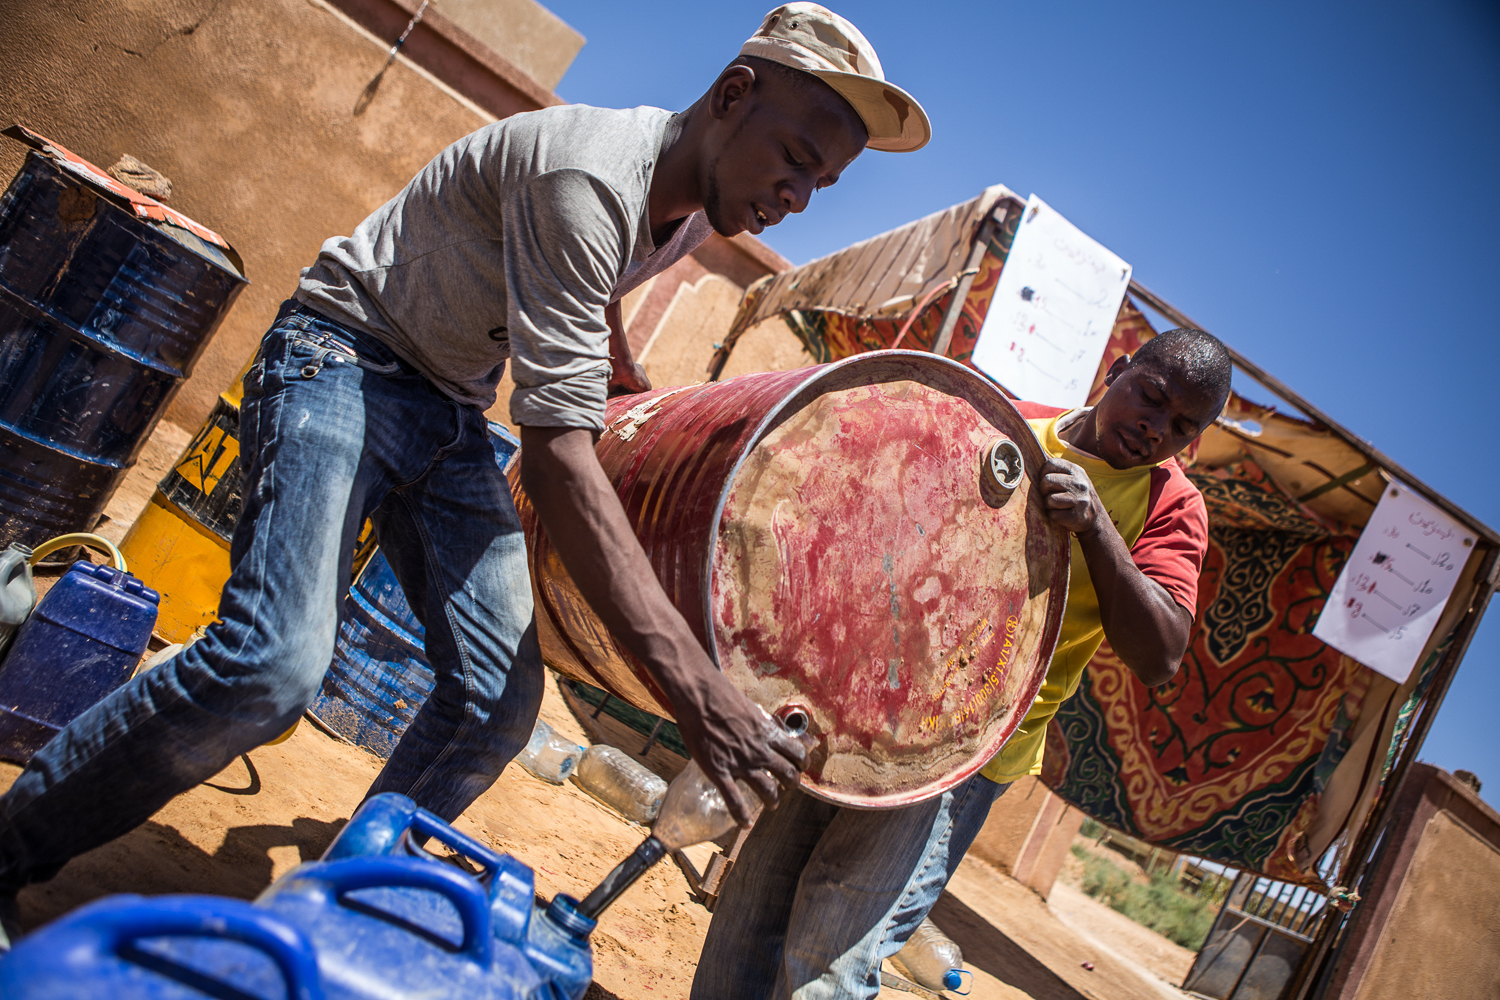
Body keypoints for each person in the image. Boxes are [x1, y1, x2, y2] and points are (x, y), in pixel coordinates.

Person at [0, 3, 931, 945]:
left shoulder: (690, 211)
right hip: (344, 356)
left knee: (496, 702)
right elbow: (558, 462)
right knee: (272, 666)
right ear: (735, 95)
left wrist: (626, 383)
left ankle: (325, 920)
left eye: (824, 181)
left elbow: (583, 289)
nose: (800, 197)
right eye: (798, 159)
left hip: (445, 406)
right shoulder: (589, 172)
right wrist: (699, 694)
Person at [691, 327, 1234, 1000]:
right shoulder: (1008, 429)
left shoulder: (1171, 506)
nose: (1157, 428)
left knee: (833, 947)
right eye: (1151, 398)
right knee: (756, 902)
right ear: (1118, 370)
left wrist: (1097, 529)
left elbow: (1160, 654)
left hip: (967, 755)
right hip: (853, 715)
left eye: (1183, 426)